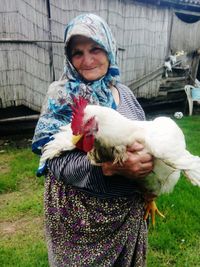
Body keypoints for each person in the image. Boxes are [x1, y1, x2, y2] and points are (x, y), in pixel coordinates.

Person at [32, 13, 154, 267]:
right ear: (69, 56)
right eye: (77, 52)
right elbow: (53, 159)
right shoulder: (61, 95)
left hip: (127, 212)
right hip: (79, 216)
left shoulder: (125, 93)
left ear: (108, 48)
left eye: (95, 48)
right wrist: (107, 168)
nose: (86, 60)